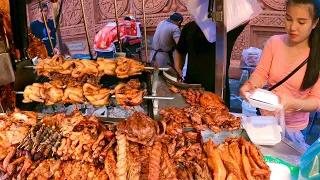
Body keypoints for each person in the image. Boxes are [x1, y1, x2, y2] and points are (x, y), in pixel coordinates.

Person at [240, 0, 320, 143]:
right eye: (288, 19)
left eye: (301, 22)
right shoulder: (274, 42)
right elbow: (261, 74)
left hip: (295, 129)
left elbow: (316, 101)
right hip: (266, 121)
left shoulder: (316, 55)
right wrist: (251, 84)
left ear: (314, 23)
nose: (293, 27)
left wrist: (292, 103)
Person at [174, 21, 247, 107]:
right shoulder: (190, 27)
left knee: (220, 117)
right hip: (193, 89)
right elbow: (180, 51)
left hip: (219, 90)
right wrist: (178, 70)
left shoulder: (227, 28)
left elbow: (247, 15)